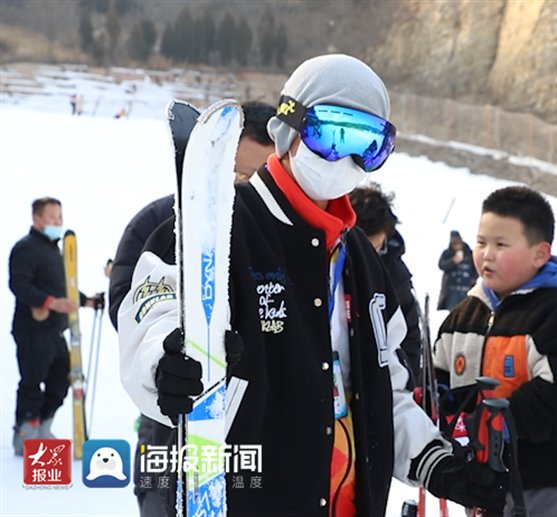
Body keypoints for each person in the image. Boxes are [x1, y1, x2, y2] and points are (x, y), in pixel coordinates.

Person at [119, 54, 506, 516]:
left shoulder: (361, 259)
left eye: (367, 145)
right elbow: (155, 312)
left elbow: (386, 392)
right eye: (331, 135)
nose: (345, 158)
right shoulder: (217, 226)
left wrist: (438, 465)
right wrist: (166, 362)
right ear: (289, 128)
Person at [108, 100, 275, 517]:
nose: (244, 188)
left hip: (249, 429)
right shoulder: (159, 222)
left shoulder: (275, 240)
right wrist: (167, 356)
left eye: (258, 178)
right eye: (237, 173)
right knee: (162, 504)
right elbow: (130, 307)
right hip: (170, 415)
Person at [433, 185, 557, 516]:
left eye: (501, 245)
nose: (486, 254)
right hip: (485, 484)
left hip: (553, 484)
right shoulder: (464, 315)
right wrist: (441, 406)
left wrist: (493, 424)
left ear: (539, 254)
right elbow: (439, 374)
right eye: (482, 242)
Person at [9, 197, 99, 454]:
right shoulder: (26, 248)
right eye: (52, 217)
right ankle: (26, 434)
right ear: (37, 219)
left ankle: (44, 426)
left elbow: (63, 290)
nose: (57, 222)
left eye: (60, 217)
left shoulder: (54, 251)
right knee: (32, 381)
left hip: (54, 332)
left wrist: (86, 301)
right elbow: (19, 284)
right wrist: (50, 302)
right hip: (33, 329)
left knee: (61, 378)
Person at [348, 182, 421, 381]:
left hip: (381, 377)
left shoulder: (396, 275)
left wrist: (408, 381)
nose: (367, 257)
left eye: (375, 248)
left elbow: (410, 337)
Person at [437, 230, 477, 311]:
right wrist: (453, 261)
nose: (457, 246)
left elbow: (477, 266)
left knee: (467, 313)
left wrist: (474, 278)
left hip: (466, 290)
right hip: (452, 291)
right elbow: (441, 265)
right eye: (454, 244)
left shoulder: (469, 253)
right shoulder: (447, 253)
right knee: (453, 314)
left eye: (458, 243)